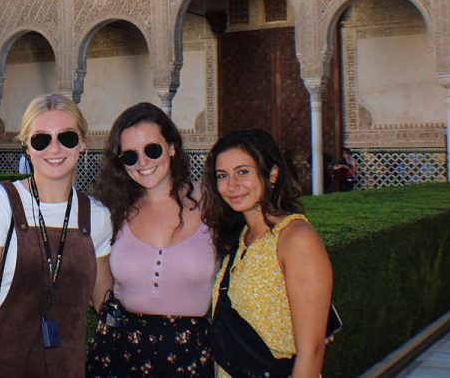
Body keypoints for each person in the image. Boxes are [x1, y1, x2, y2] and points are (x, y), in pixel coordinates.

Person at [0, 94, 113, 378]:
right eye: (41, 139)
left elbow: (106, 301)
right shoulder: (2, 202)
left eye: (66, 137)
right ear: (27, 147)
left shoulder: (97, 216)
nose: (54, 148)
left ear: (82, 143)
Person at [88, 102, 216, 376]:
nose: (143, 162)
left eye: (152, 149)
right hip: (119, 354)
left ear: (171, 147)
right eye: (130, 156)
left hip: (190, 355)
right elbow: (97, 285)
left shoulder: (212, 203)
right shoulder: (112, 210)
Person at [203, 129, 333, 378]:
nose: (232, 185)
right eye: (222, 175)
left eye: (243, 172)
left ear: (272, 173)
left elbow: (312, 350)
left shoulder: (295, 239)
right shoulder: (240, 238)